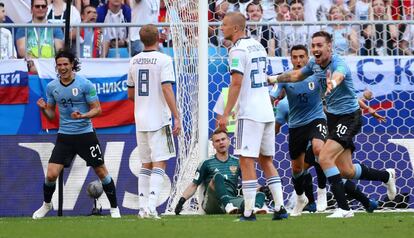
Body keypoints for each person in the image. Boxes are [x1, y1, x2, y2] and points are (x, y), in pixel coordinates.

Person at [268, 31, 396, 218]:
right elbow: (296, 76)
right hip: (332, 119)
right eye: (313, 45)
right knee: (346, 170)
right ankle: (386, 176)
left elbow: (339, 76)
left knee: (325, 157)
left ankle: (344, 209)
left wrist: (332, 84)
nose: (316, 49)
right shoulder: (313, 64)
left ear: (329, 46)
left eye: (320, 45)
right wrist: (273, 79)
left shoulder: (339, 64)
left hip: (349, 118)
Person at [32, 49, 120, 219]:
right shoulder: (52, 87)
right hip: (65, 136)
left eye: (66, 64)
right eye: (59, 65)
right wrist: (44, 110)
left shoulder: (85, 84)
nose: (62, 68)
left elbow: (98, 110)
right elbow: (51, 115)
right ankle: (46, 204)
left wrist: (83, 116)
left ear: (72, 64)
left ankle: (114, 208)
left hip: (85, 134)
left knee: (101, 171)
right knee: (51, 174)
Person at [218, 12, 287, 221]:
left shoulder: (236, 50)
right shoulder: (258, 45)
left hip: (249, 113)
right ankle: (281, 208)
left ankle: (248, 212)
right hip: (266, 110)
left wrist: (226, 112)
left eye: (224, 25)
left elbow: (236, 83)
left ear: (236, 28)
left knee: (246, 160)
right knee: (266, 160)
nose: (221, 28)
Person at [127, 24, 181, 219]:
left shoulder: (133, 61)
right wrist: (177, 115)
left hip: (140, 118)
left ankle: (142, 208)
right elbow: (167, 88)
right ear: (158, 37)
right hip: (159, 118)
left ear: (141, 39)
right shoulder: (164, 59)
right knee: (160, 163)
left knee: (145, 163)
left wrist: (144, 100)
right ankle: (151, 206)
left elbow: (131, 94)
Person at [174, 129, 267, 215]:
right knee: (218, 176)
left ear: (229, 141)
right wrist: (181, 201)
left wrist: (262, 189)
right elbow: (194, 185)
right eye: (217, 141)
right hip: (212, 203)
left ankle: (254, 208)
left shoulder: (237, 162)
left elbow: (248, 182)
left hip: (232, 200)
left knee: (260, 195)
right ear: (213, 144)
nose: (221, 142)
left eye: (223, 139)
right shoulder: (206, 163)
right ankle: (229, 206)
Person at [15, 0, 64, 72]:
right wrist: (35, 62)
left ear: (47, 9)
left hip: (51, 64)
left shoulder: (55, 27)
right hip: (31, 64)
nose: (40, 8)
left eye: (43, 6)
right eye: (37, 6)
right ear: (31, 9)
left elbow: (59, 49)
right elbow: (22, 50)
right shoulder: (23, 28)